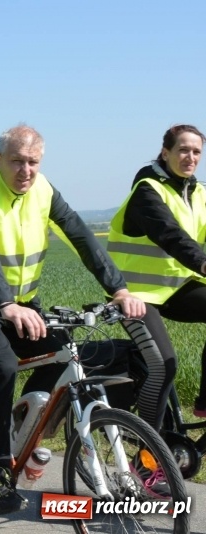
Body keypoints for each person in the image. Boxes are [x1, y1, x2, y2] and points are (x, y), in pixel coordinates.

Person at [0, 124, 146, 515]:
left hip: (22, 304)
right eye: (17, 161)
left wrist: (119, 289)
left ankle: (24, 429)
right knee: (1, 365)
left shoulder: (43, 189)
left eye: (33, 162)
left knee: (68, 355)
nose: (26, 170)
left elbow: (81, 236)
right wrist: (5, 304)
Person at [107, 124, 206, 421]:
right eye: (183, 150)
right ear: (166, 153)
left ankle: (204, 401)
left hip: (176, 288)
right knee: (164, 364)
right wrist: (202, 262)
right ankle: (149, 456)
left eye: (197, 152)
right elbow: (170, 235)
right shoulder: (147, 191)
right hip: (134, 295)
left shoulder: (198, 192)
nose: (190, 157)